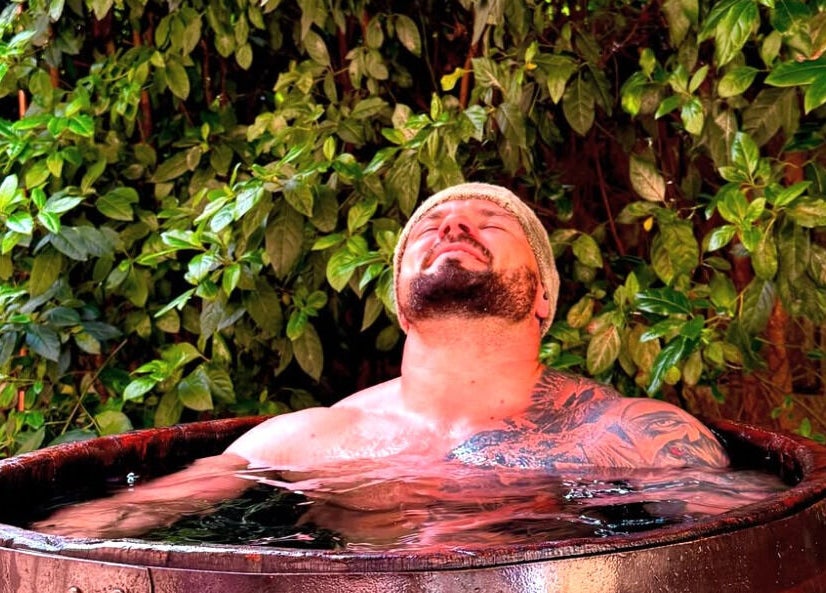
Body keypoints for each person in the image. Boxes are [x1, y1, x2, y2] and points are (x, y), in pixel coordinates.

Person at [34, 182, 728, 539]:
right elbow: (108, 526)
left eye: (489, 223)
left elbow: (753, 557)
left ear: (543, 294)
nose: (451, 226)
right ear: (400, 303)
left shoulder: (640, 438)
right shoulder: (304, 439)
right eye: (428, 229)